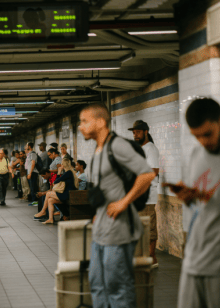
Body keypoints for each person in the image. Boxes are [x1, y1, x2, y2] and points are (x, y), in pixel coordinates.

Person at [78, 103, 155, 308]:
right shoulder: (98, 149)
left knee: (117, 286)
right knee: (97, 284)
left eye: (85, 121)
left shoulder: (117, 145)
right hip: (101, 229)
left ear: (101, 122)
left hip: (118, 229)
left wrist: (123, 202)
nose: (80, 126)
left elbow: (147, 174)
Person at [164, 98, 220, 308]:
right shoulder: (197, 154)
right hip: (194, 257)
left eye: (208, 134)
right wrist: (189, 197)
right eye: (197, 136)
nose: (204, 142)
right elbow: (201, 205)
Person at [129, 120, 160, 266]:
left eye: (138, 132)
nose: (135, 135)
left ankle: (152, 258)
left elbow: (154, 171)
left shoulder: (150, 149)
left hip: (147, 196)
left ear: (146, 132)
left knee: (149, 228)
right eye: (134, 132)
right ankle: (143, 256)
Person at [34, 159, 78, 224]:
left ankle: (43, 211)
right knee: (50, 200)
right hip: (68, 194)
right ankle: (50, 219)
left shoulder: (68, 172)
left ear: (63, 165)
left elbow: (56, 181)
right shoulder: (69, 172)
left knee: (48, 194)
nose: (60, 166)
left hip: (67, 195)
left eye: (61, 164)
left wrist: (59, 172)